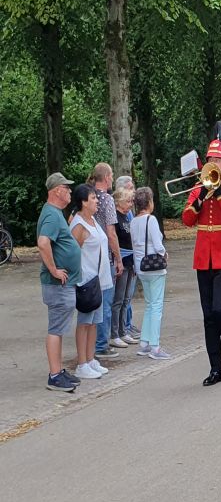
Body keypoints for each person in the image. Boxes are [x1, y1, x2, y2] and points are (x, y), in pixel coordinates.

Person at [181, 123, 221, 386]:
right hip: (203, 256)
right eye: (210, 160)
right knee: (208, 315)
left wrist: (218, 193)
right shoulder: (198, 188)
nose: (213, 163)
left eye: (217, 159)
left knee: (220, 309)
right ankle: (215, 368)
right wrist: (198, 200)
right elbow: (186, 219)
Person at [37, 173, 82, 392]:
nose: (70, 192)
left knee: (59, 328)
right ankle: (54, 376)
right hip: (57, 285)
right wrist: (54, 270)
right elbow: (43, 242)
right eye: (67, 188)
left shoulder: (55, 213)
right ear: (57, 191)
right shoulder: (52, 215)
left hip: (62, 284)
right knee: (56, 329)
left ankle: (58, 370)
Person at [69, 184, 114, 380]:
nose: (97, 201)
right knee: (85, 322)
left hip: (99, 280)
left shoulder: (93, 219)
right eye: (93, 198)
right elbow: (71, 254)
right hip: (86, 280)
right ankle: (82, 363)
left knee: (95, 321)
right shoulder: (79, 225)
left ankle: (90, 358)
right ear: (83, 202)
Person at [130, 187, 170, 360]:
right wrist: (163, 253)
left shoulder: (133, 221)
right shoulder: (151, 220)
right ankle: (155, 346)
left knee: (149, 304)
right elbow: (157, 243)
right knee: (156, 306)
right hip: (154, 267)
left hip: (141, 266)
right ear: (149, 202)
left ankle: (145, 343)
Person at [87, 163, 122, 360]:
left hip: (90, 257)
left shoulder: (88, 197)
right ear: (107, 177)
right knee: (106, 301)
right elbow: (111, 233)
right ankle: (102, 344)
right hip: (105, 256)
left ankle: (94, 343)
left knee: (94, 301)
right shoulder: (107, 199)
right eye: (112, 175)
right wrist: (118, 258)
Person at [109, 186, 137, 348]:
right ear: (119, 202)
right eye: (128, 201)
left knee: (126, 299)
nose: (131, 204)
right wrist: (118, 259)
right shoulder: (116, 217)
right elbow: (114, 239)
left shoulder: (128, 216)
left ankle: (123, 330)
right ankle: (114, 333)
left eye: (132, 200)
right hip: (122, 260)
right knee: (118, 300)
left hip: (131, 260)